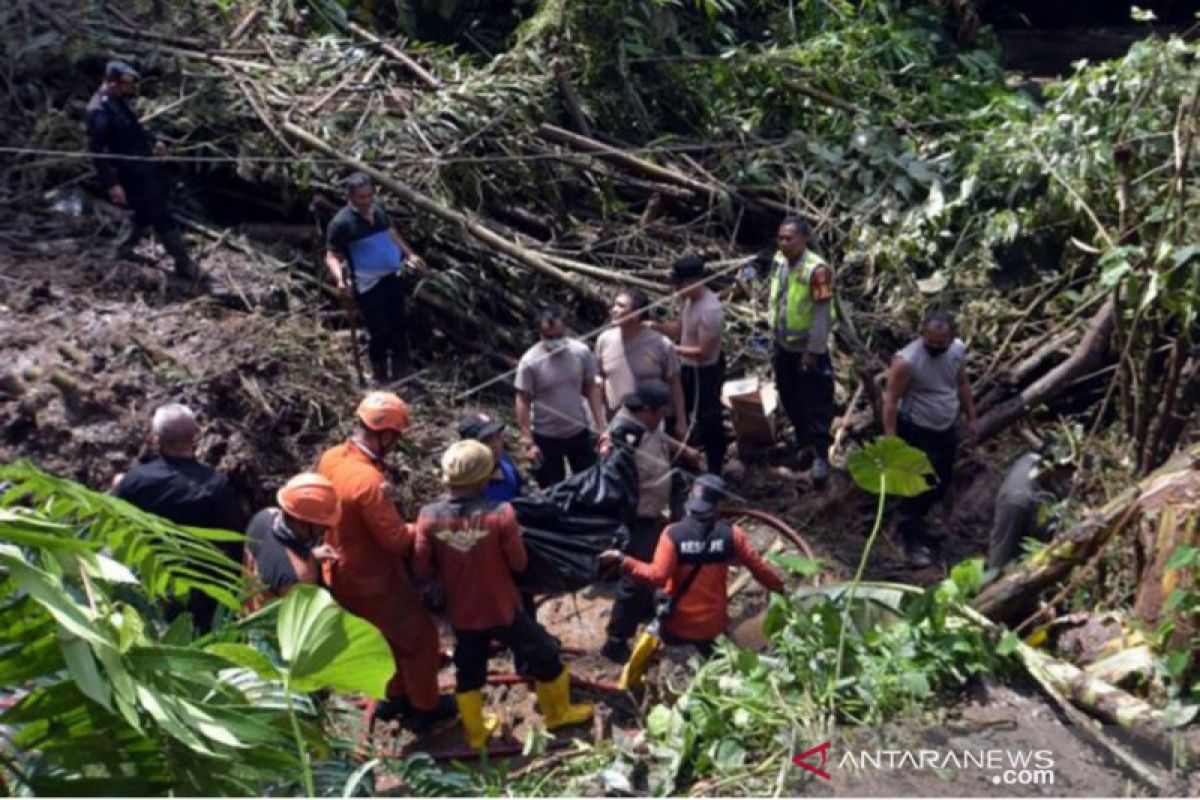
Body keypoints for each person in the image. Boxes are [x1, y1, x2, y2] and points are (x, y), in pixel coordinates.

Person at [413, 440, 593, 750]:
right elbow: (519, 562)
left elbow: (421, 566)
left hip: (462, 612)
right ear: (484, 477)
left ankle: (476, 732)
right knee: (545, 654)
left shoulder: (429, 516)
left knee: (468, 670)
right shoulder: (501, 514)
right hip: (502, 607)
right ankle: (558, 713)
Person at [316, 391, 453, 727]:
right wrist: (426, 527)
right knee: (420, 638)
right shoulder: (368, 482)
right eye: (396, 437)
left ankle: (394, 695)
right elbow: (394, 540)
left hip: (338, 569)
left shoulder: (332, 458)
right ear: (385, 434)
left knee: (382, 638)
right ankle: (424, 709)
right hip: (373, 579)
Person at [600, 474, 784, 656]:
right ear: (717, 505)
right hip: (713, 625)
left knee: (659, 600)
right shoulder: (733, 535)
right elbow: (759, 568)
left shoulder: (673, 534)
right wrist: (780, 589)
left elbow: (656, 576)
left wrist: (623, 559)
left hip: (677, 627)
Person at [114, 403, 247, 632]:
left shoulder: (134, 482)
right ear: (196, 438)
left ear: (156, 439)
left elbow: (115, 530)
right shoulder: (215, 486)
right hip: (202, 591)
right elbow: (236, 542)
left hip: (148, 583)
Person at [602, 381, 701, 664]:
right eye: (659, 413)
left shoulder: (649, 422)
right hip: (637, 517)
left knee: (653, 568)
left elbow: (659, 437)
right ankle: (617, 639)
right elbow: (611, 480)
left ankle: (644, 609)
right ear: (645, 409)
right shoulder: (622, 434)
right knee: (635, 577)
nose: (662, 419)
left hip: (655, 511)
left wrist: (685, 451)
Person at [882, 310, 978, 568]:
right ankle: (909, 539)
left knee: (942, 480)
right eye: (930, 341)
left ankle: (920, 523)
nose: (934, 347)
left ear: (952, 338)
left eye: (940, 343)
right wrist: (891, 438)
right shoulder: (908, 360)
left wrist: (971, 419)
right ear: (921, 334)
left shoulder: (957, 351)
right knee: (917, 485)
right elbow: (890, 398)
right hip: (916, 429)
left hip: (945, 428)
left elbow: (962, 384)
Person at [86, 60, 198, 280]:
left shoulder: (119, 102)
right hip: (129, 174)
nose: (130, 88)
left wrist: (154, 141)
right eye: (126, 83)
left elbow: (135, 127)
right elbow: (97, 152)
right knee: (160, 215)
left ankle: (122, 249)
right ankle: (183, 263)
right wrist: (111, 184)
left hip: (143, 167)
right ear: (112, 83)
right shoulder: (98, 110)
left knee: (141, 212)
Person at [324, 173, 429, 385]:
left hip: (392, 276)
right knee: (379, 330)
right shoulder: (341, 223)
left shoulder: (378, 209)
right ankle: (380, 375)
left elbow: (391, 232)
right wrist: (340, 280)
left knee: (399, 324)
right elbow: (331, 255)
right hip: (368, 284)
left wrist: (409, 254)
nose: (366, 200)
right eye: (361, 197)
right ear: (351, 197)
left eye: (369, 195)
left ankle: (403, 372)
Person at [768, 217, 836, 484]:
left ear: (804, 239)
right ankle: (801, 439)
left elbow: (822, 315)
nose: (784, 243)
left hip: (806, 349)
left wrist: (813, 351)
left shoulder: (817, 271)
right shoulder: (779, 261)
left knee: (816, 399)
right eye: (781, 238)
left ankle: (820, 453)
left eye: (789, 238)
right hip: (782, 344)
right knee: (789, 394)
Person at [651, 255, 728, 473]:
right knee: (678, 413)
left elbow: (703, 352)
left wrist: (671, 349)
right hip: (686, 368)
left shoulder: (709, 311)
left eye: (681, 285)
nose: (677, 290)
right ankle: (685, 461)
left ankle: (715, 467)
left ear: (694, 281)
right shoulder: (688, 301)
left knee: (708, 419)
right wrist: (656, 328)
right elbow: (678, 329)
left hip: (705, 372)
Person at [515, 306, 605, 488]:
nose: (555, 341)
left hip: (578, 431)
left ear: (566, 330)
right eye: (550, 337)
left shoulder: (581, 352)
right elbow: (522, 399)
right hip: (545, 435)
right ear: (540, 334)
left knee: (588, 484)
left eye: (559, 336)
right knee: (551, 487)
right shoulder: (530, 360)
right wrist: (527, 441)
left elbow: (591, 388)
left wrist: (601, 426)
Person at [595, 288, 688, 442]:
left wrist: (681, 420)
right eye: (614, 306)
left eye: (621, 306)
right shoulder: (604, 340)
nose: (614, 310)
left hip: (652, 423)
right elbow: (599, 379)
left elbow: (675, 383)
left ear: (637, 314)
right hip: (615, 420)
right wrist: (600, 420)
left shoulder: (661, 345)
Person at [243, 473, 342, 612]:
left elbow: (274, 558)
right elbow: (300, 622)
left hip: (247, 608)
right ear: (301, 523)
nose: (326, 530)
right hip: (270, 629)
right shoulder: (300, 578)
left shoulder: (264, 516)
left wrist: (310, 556)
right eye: (323, 527)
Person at [986, 452, 1070, 571]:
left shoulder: (1031, 458)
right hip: (1014, 507)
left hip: (1022, 503)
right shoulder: (1017, 501)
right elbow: (1000, 553)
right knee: (1002, 551)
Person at [458, 411, 522, 501]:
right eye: (487, 440)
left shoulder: (506, 463)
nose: (496, 444)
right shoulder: (467, 486)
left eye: (497, 436)